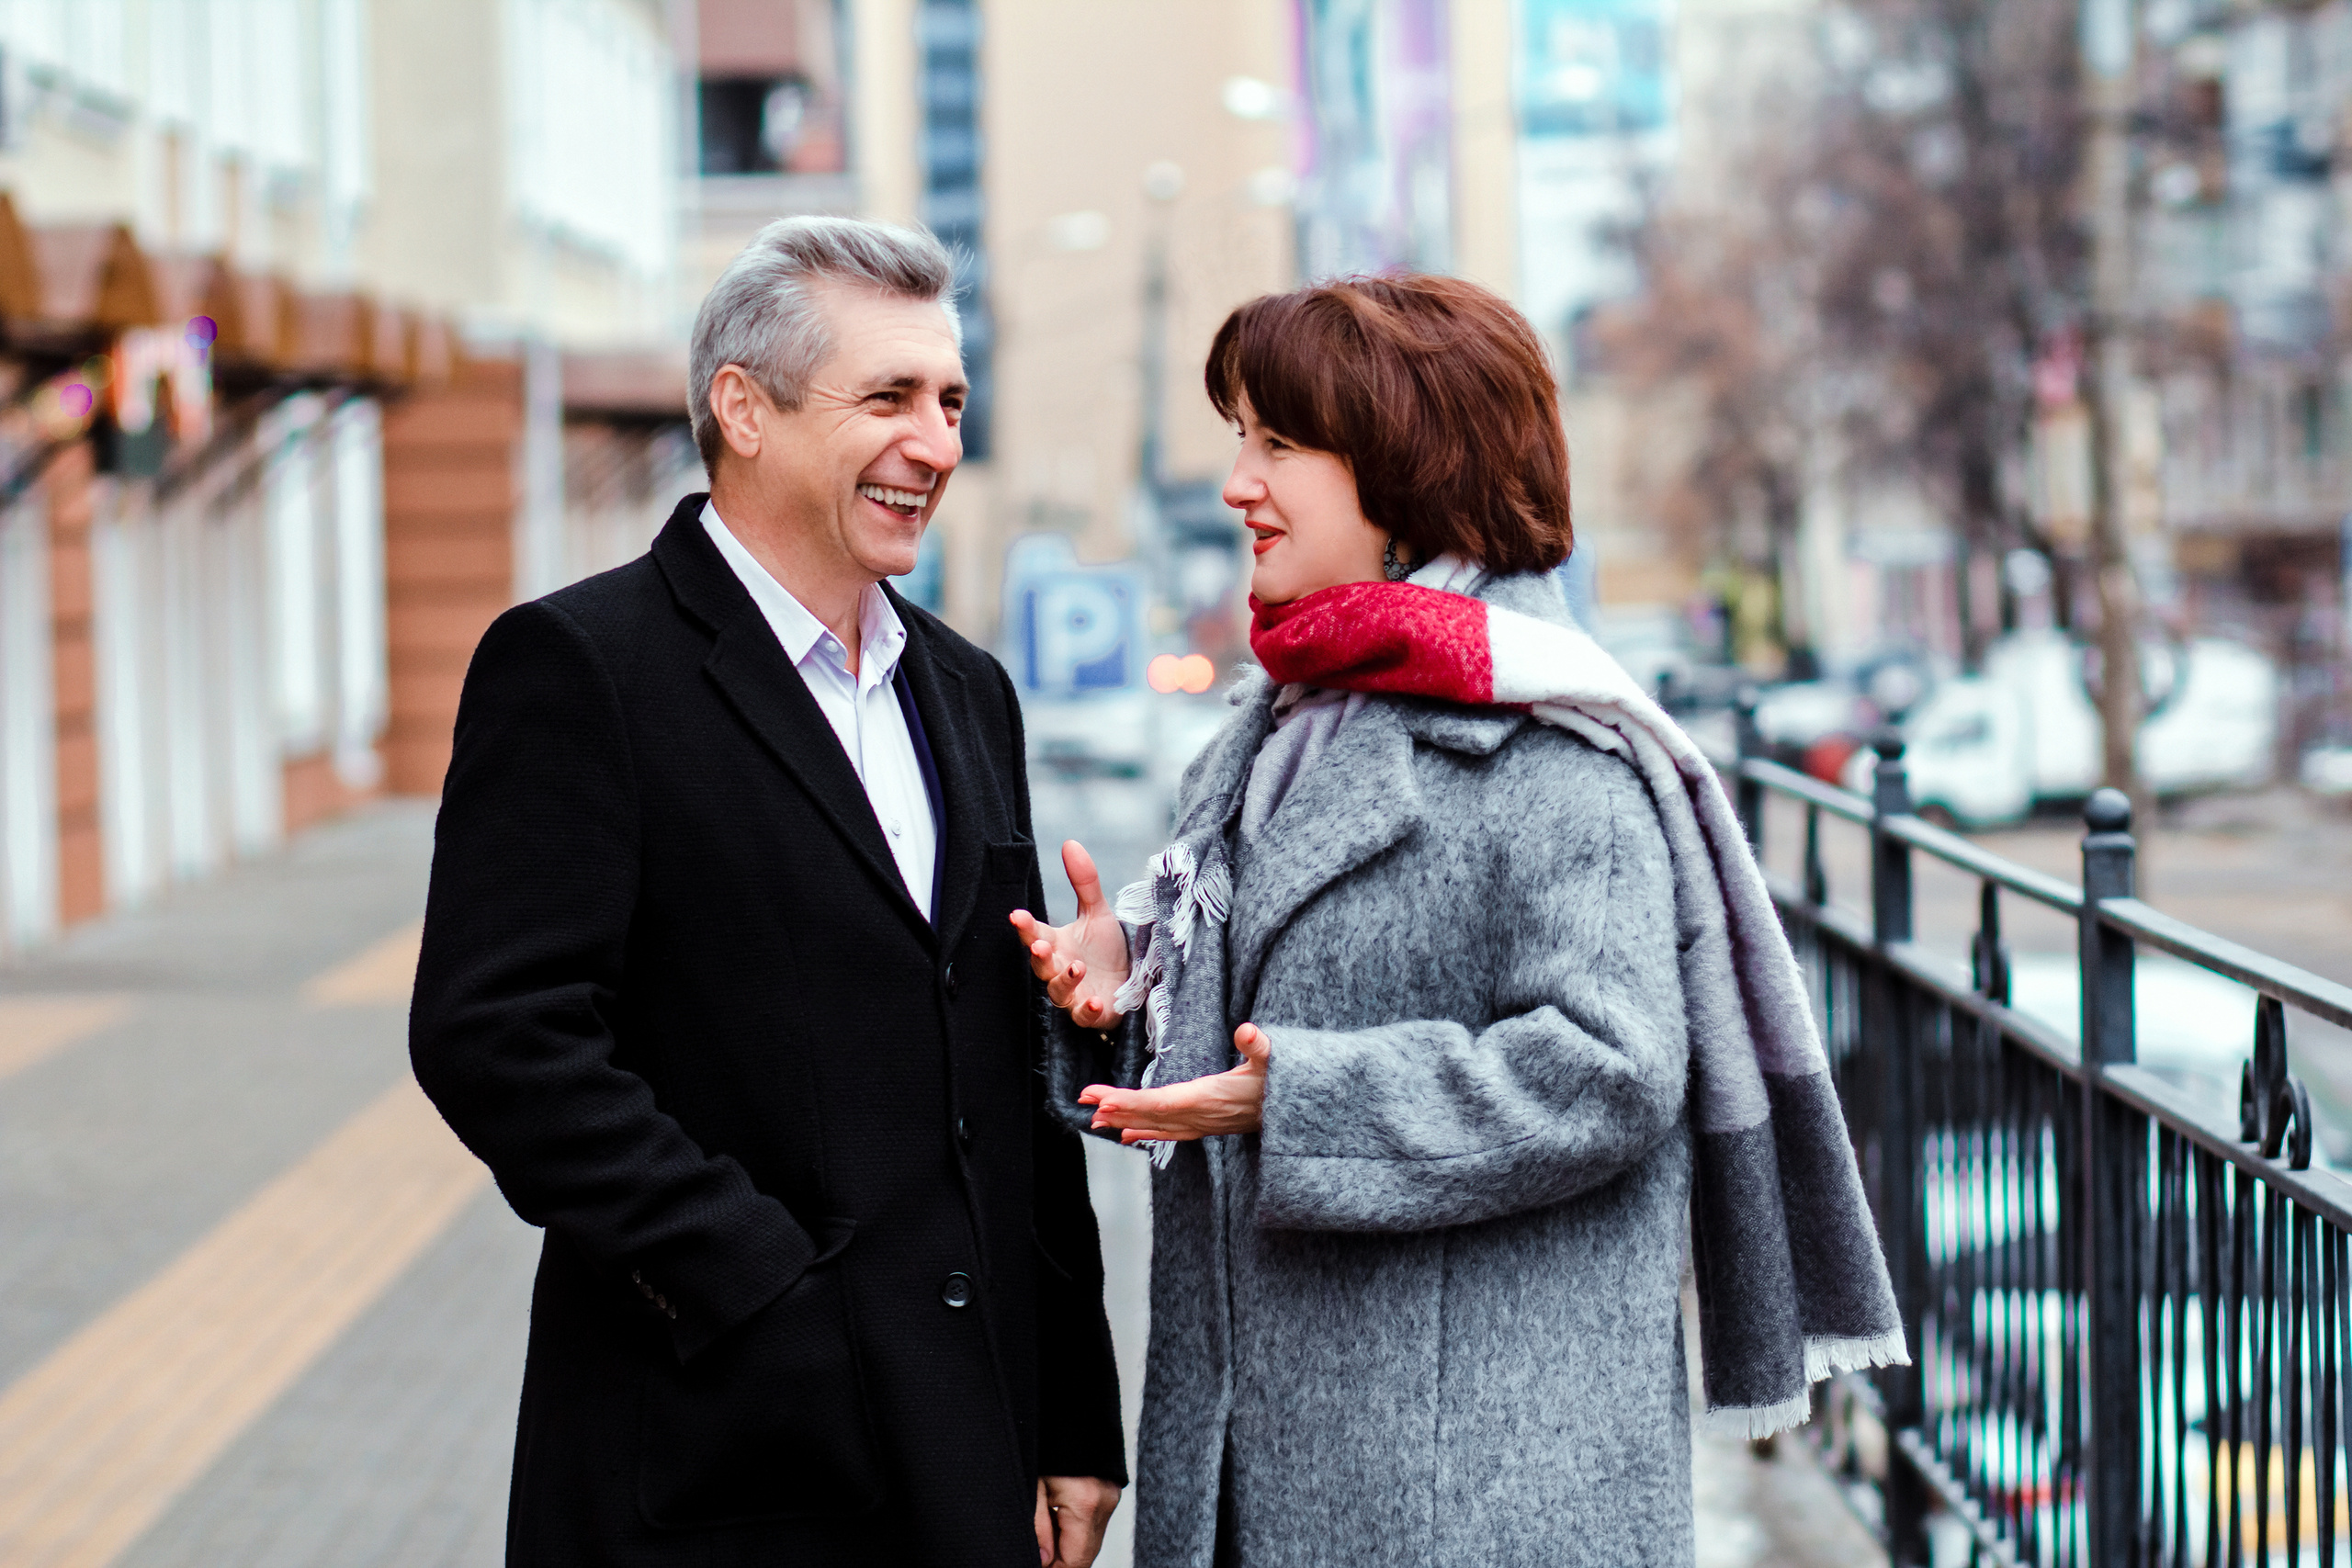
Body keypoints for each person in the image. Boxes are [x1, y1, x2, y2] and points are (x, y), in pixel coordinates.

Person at [1013, 275, 1900, 1568]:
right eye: (1239, 439)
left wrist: (1297, 1100)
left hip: (1470, 1501)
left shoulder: (1554, 755)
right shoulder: (1272, 728)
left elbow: (1612, 1067)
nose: (1236, 483)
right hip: (1274, 1470)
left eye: (1278, 444)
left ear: (1404, 465)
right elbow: (1248, 1018)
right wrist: (1124, 984)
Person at [411, 217, 1125, 1568]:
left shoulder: (967, 691)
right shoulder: (580, 668)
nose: (936, 443)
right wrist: (759, 1286)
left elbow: (1004, 1078)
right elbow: (496, 1038)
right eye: (890, 398)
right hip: (716, 1455)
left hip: (968, 1456)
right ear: (743, 408)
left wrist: (1076, 1410)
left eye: (953, 400)